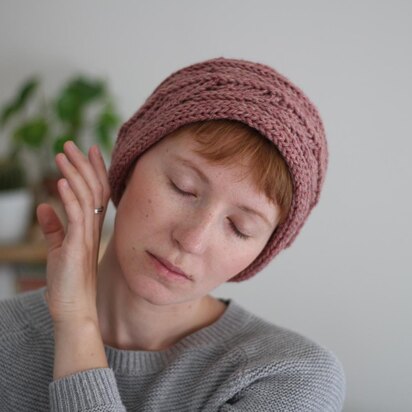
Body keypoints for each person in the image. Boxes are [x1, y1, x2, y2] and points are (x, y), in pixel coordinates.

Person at [0, 57, 346, 411]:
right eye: (183, 188)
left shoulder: (291, 377)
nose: (192, 239)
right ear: (127, 166)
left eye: (240, 228)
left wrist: (76, 324)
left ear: (262, 252)